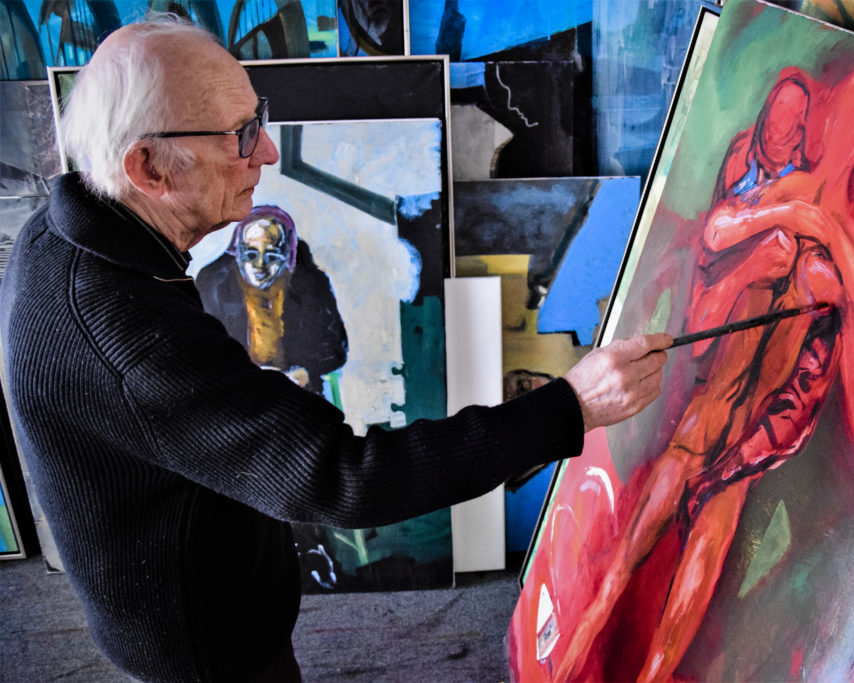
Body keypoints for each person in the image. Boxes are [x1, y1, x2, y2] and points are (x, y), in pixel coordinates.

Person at [0, 17, 672, 683]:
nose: (265, 153)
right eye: (240, 135)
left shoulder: (62, 234)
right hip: (206, 648)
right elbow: (349, 479)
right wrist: (570, 406)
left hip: (179, 587)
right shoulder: (126, 333)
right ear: (146, 167)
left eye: (255, 119)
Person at [553, 58, 854, 682]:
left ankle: (635, 666)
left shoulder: (843, 247)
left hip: (745, 441)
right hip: (707, 409)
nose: (795, 133)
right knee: (623, 562)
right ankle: (575, 645)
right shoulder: (774, 191)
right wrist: (787, 232)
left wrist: (837, 251)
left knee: (713, 507)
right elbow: (717, 241)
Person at [195, 204, 348, 396]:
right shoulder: (214, 282)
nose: (260, 265)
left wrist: (303, 372)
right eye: (251, 254)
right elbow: (202, 354)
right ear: (238, 251)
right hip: (234, 393)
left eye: (272, 256)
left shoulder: (309, 283)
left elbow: (335, 348)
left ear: (287, 256)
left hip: (296, 393)